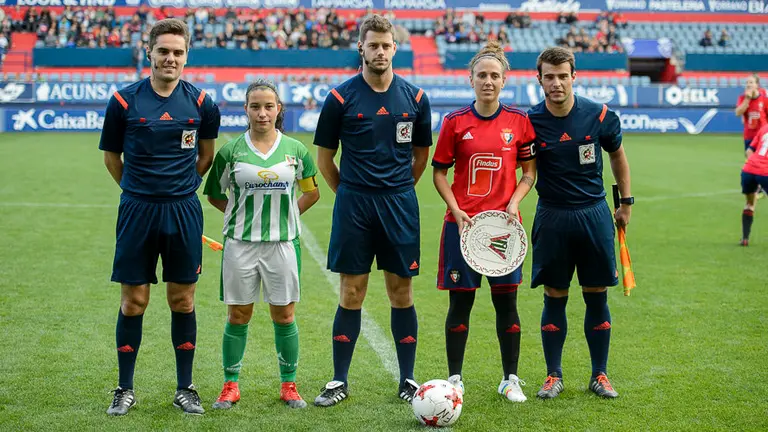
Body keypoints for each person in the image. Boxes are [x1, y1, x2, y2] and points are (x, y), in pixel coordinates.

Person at [99, 18, 221, 416]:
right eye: (163, 51)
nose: (170, 58)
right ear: (148, 51)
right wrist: (139, 191)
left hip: (184, 210)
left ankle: (185, 387)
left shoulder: (203, 104)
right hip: (137, 209)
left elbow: (206, 156)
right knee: (134, 301)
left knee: (182, 299)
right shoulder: (123, 102)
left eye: (178, 52)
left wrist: (181, 188)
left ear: (187, 56)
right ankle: (124, 387)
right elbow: (112, 159)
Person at [312, 14, 432, 407]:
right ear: (360, 48)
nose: (380, 51)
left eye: (386, 45)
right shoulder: (340, 98)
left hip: (398, 204)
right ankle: (338, 380)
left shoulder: (415, 99)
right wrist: (349, 194)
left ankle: (408, 379)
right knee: (352, 291)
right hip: (355, 206)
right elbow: (326, 159)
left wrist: (394, 190)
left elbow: (420, 157)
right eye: (373, 45)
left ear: (395, 48)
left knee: (401, 291)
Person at [204, 80, 321, 409]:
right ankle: (230, 385)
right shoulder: (231, 151)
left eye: (268, 106)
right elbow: (214, 194)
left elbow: (311, 192)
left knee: (284, 315)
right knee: (238, 314)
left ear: (278, 109)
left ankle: (289, 385)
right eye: (255, 106)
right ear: (246, 110)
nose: (262, 112)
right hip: (240, 245)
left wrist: (288, 216)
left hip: (282, 245)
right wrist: (241, 215)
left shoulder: (296, 150)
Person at [431, 40, 537, 402]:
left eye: (494, 75)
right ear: (471, 79)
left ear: (504, 80)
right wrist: (456, 209)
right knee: (460, 305)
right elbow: (440, 174)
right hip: (462, 228)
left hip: (505, 231)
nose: (487, 81)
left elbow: (528, 174)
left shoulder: (519, 123)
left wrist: (514, 203)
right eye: (481, 75)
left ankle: (510, 378)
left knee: (506, 305)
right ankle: (455, 378)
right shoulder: (454, 123)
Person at [526, 47, 632, 399]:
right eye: (549, 77)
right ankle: (553, 375)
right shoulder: (530, 121)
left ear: (574, 76)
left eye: (562, 76)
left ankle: (599, 375)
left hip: (593, 213)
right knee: (554, 295)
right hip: (552, 215)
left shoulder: (600, 115)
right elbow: (523, 171)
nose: (556, 83)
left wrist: (625, 203)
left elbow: (617, 155)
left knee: (596, 295)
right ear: (539, 79)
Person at [739, 124, 768, 246]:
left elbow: (749, 150)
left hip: (749, 170)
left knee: (750, 203)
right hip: (765, 171)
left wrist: (756, 167)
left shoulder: (765, 127)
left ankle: (745, 238)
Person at [735, 73, 768, 152]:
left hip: (762, 136)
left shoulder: (764, 99)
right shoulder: (742, 98)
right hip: (749, 136)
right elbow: (738, 113)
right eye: (747, 83)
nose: (748, 85)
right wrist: (747, 99)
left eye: (751, 82)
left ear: (757, 85)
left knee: (761, 161)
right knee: (750, 161)